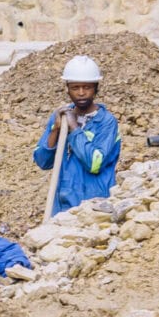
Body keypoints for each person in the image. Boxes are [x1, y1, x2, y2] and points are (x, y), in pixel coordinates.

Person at [33, 55, 121, 216]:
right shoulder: (60, 117)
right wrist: (55, 130)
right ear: (67, 88)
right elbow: (42, 162)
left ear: (96, 88)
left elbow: (95, 164)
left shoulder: (106, 122)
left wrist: (74, 128)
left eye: (87, 87)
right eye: (75, 87)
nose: (81, 93)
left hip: (94, 206)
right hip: (62, 205)